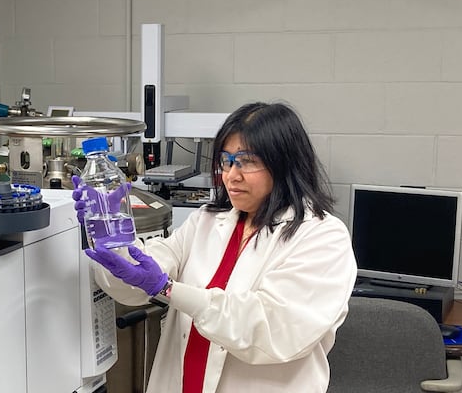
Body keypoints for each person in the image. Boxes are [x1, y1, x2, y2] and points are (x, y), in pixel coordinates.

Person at [73, 102, 357, 393]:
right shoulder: (206, 221)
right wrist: (113, 241)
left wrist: (169, 290)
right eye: (226, 161)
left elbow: (271, 330)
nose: (231, 175)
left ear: (284, 164)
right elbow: (136, 284)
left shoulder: (323, 237)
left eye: (247, 161)